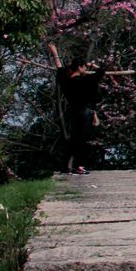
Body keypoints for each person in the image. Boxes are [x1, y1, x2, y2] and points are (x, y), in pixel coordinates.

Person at [49, 44, 107, 174]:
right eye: (84, 67)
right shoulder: (85, 80)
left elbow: (59, 68)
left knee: (74, 139)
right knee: (82, 140)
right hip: (85, 113)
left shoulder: (66, 80)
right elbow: (101, 72)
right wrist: (94, 66)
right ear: (80, 67)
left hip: (74, 112)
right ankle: (78, 165)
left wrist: (55, 53)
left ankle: (65, 165)